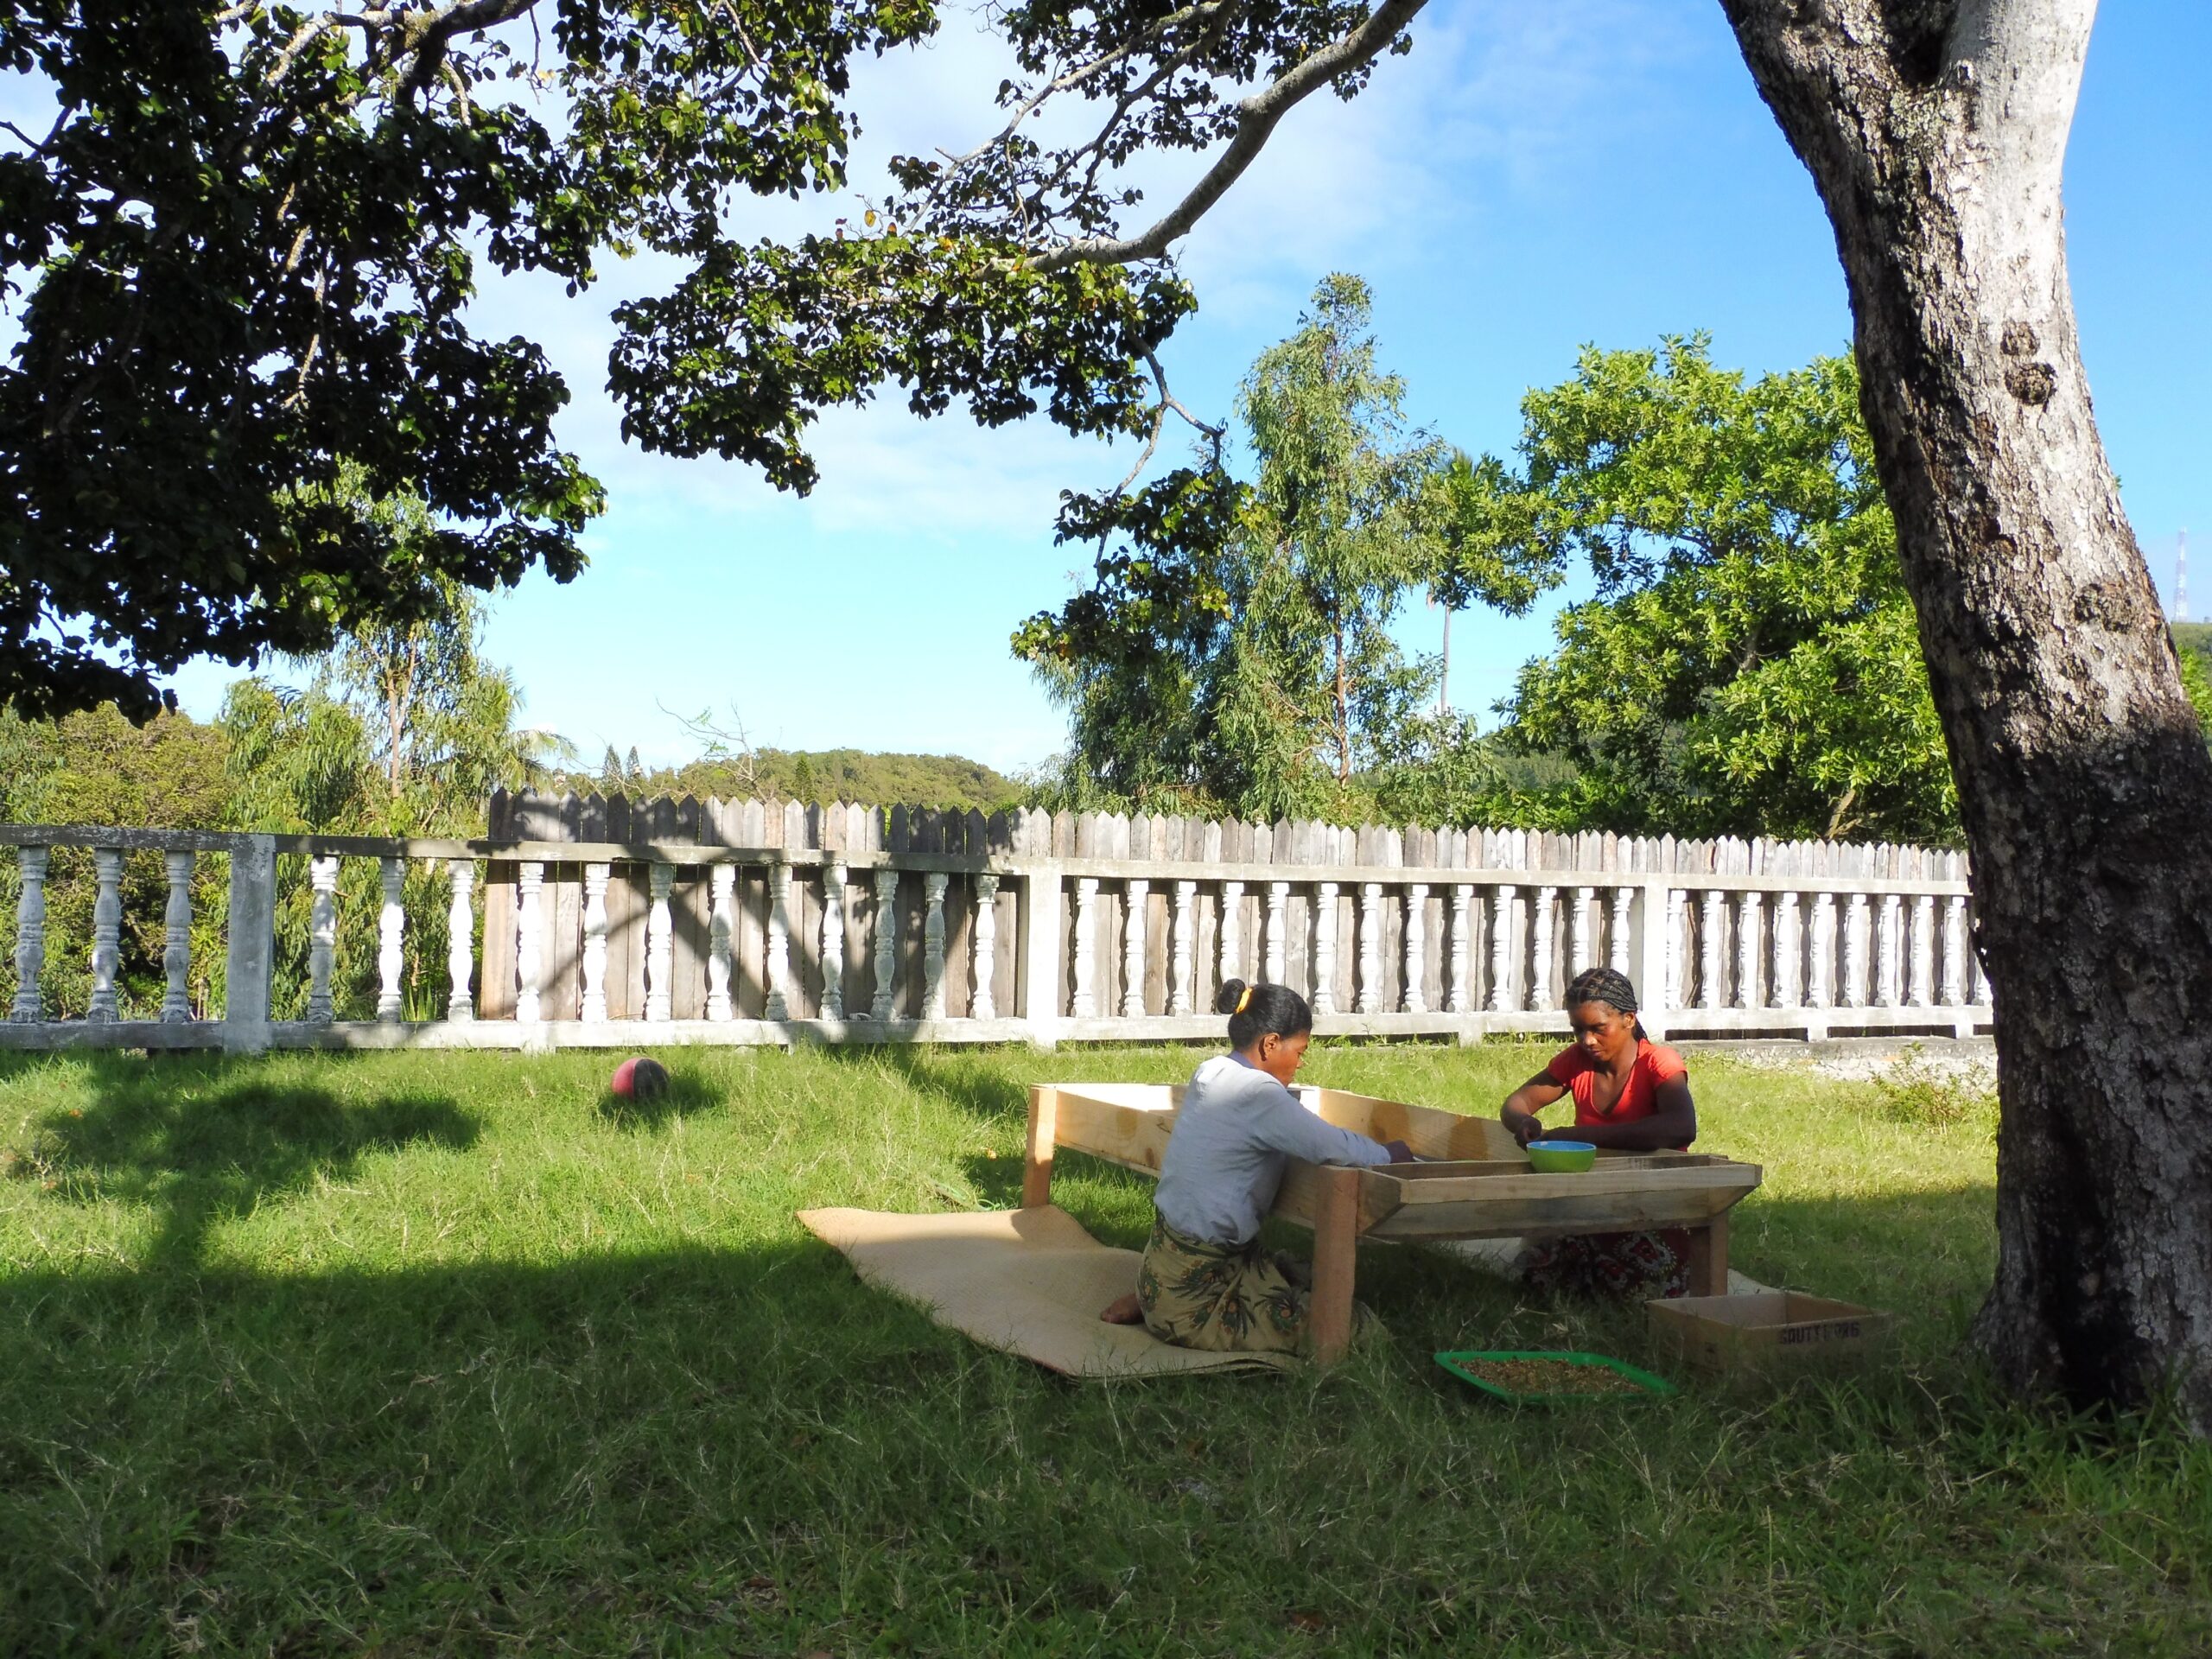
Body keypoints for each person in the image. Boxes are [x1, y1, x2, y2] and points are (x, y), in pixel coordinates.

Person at [1101, 978, 1412, 1354]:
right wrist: (1391, 1155)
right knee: (1346, 1325)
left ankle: (1153, 1297)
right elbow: (1334, 1146)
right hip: (1197, 1300)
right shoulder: (1259, 1095)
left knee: (1296, 1272)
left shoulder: (1211, 1071)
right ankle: (1169, 1310)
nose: (1300, 1063)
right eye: (1299, 1051)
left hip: (1165, 1262)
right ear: (1270, 1044)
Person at [1497, 965, 1701, 1297]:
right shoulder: (1578, 1061)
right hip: (1593, 1203)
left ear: (1629, 1019)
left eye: (1598, 1028)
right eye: (1578, 1030)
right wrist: (1523, 1123)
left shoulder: (1659, 1063)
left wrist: (1583, 1137)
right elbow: (1516, 1102)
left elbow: (1680, 1127)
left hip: (1653, 1204)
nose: (1587, 1040)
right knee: (1537, 1274)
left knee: (1641, 1287)